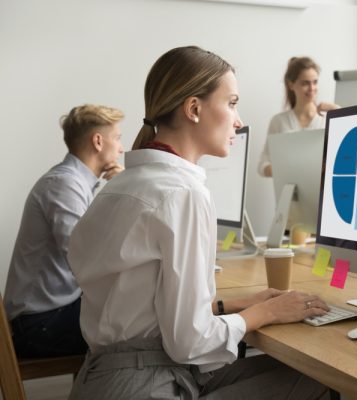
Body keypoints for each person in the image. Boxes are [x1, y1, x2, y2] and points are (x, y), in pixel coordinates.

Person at [67, 46, 330, 400]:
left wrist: (236, 305)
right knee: (318, 379)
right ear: (193, 109)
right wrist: (266, 312)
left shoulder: (121, 185)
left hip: (104, 377)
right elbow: (190, 342)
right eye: (232, 103)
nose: (238, 120)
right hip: (147, 384)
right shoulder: (182, 192)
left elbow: (143, 305)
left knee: (301, 372)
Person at [3, 104, 124, 358]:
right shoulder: (64, 184)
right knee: (134, 329)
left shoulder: (76, 183)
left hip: (51, 314)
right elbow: (86, 258)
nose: (121, 148)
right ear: (98, 141)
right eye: (118, 138)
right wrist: (119, 194)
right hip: (38, 324)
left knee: (133, 319)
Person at [258, 56, 339, 178]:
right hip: (289, 194)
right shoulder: (279, 122)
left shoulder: (328, 119)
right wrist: (286, 170)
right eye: (305, 83)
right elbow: (262, 165)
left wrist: (339, 112)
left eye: (315, 82)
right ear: (291, 85)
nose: (312, 88)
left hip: (322, 193)